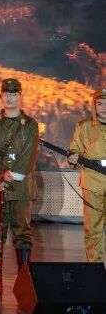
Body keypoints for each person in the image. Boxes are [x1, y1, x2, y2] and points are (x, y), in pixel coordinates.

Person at [0, 77, 39, 288]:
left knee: (22, 231)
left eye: (14, 94)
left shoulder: (30, 125)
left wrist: (12, 175)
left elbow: (29, 155)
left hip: (21, 187)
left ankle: (25, 277)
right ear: (0, 96)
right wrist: (1, 174)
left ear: (20, 96)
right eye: (6, 93)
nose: (10, 97)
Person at [67, 87, 106, 262]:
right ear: (94, 105)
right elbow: (75, 149)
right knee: (93, 230)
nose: (104, 108)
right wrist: (73, 158)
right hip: (92, 183)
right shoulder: (84, 126)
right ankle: (95, 270)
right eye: (100, 104)